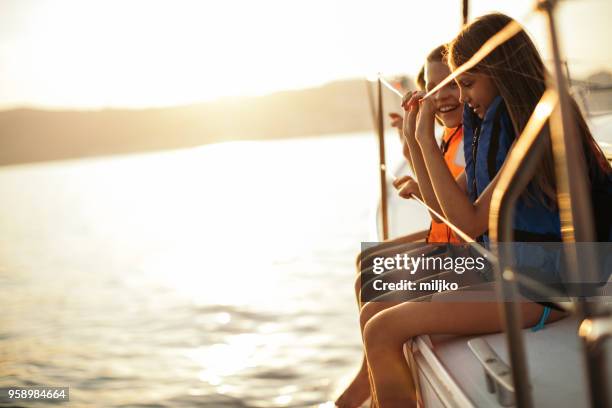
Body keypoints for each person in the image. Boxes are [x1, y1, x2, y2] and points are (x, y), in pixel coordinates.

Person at [362, 13, 612, 407]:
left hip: (542, 292)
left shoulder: (536, 134)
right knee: (376, 300)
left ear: (501, 72)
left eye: (467, 83)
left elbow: (469, 223)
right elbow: (447, 210)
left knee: (383, 328)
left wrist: (425, 142)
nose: (462, 99)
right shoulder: (502, 129)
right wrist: (414, 139)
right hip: (509, 270)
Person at [335, 45, 465, 408]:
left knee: (377, 295)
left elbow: (453, 213)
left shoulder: (472, 138)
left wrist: (415, 157)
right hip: (451, 238)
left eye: (455, 84)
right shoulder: (452, 136)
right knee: (368, 266)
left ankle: (373, 387)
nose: (441, 97)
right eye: (432, 87)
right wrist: (412, 144)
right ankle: (372, 378)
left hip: (461, 246)